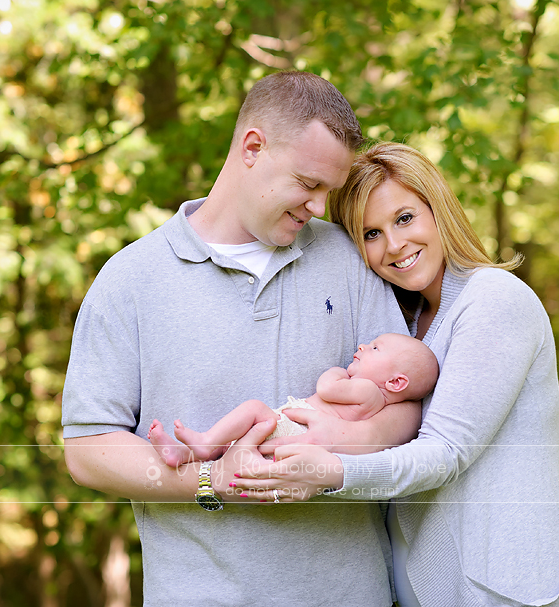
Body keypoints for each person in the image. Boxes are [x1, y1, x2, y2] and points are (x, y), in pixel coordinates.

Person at [61, 73, 424, 606]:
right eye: (308, 183)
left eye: (329, 190)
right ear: (253, 148)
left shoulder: (348, 259)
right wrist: (213, 479)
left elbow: (410, 403)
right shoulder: (130, 279)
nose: (320, 208)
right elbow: (88, 450)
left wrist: (336, 447)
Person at [233, 142, 559, 606]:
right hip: (426, 586)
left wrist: (332, 471)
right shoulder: (404, 326)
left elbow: (445, 453)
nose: (395, 245)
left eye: (404, 219)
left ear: (437, 208)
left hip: (511, 590)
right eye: (371, 234)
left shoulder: (494, 299)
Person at [148, 333, 439, 467]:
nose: (363, 345)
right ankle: (182, 455)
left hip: (294, 431)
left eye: (375, 347)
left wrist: (337, 371)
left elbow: (326, 389)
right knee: (233, 447)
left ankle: (205, 441)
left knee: (254, 410)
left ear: (396, 382)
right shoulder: (375, 399)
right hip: (296, 435)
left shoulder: (366, 391)